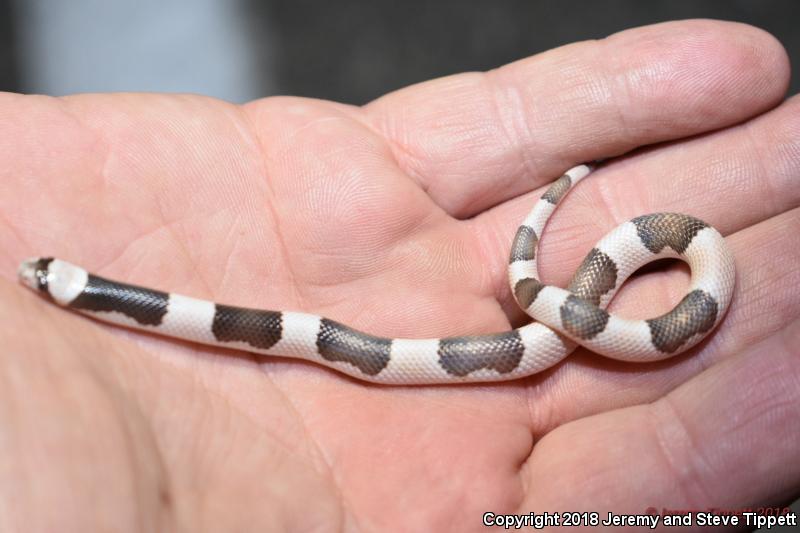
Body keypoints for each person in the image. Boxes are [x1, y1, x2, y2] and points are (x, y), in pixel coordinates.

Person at [1, 19, 798, 531]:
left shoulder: (676, 261)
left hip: (619, 291)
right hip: (580, 313)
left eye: (47, 275)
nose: (32, 277)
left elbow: (587, 320)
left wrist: (541, 280)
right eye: (45, 278)